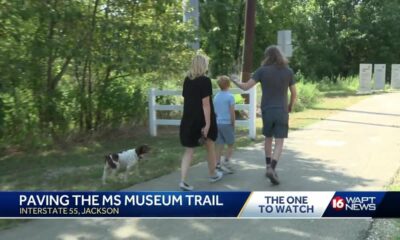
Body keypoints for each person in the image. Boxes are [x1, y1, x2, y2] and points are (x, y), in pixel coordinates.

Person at [231, 45, 297, 185]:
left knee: (268, 138)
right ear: (280, 56)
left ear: (267, 56)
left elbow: (245, 87)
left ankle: (268, 166)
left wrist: (235, 80)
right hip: (282, 111)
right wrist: (290, 106)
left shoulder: (262, 71)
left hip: (267, 110)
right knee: (279, 141)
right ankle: (272, 168)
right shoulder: (288, 71)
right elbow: (294, 93)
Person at [179, 54, 223, 191]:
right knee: (210, 143)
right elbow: (206, 105)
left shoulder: (187, 80)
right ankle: (213, 174)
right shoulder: (205, 81)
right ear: (203, 65)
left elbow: (187, 100)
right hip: (202, 119)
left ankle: (182, 181)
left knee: (189, 150)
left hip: (188, 119)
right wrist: (208, 124)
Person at [213, 75, 235, 174]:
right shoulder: (230, 96)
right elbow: (232, 112)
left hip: (218, 123)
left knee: (219, 144)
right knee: (230, 144)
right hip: (227, 123)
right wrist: (233, 123)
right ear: (228, 84)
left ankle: (217, 164)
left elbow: (215, 111)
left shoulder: (216, 97)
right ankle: (226, 162)